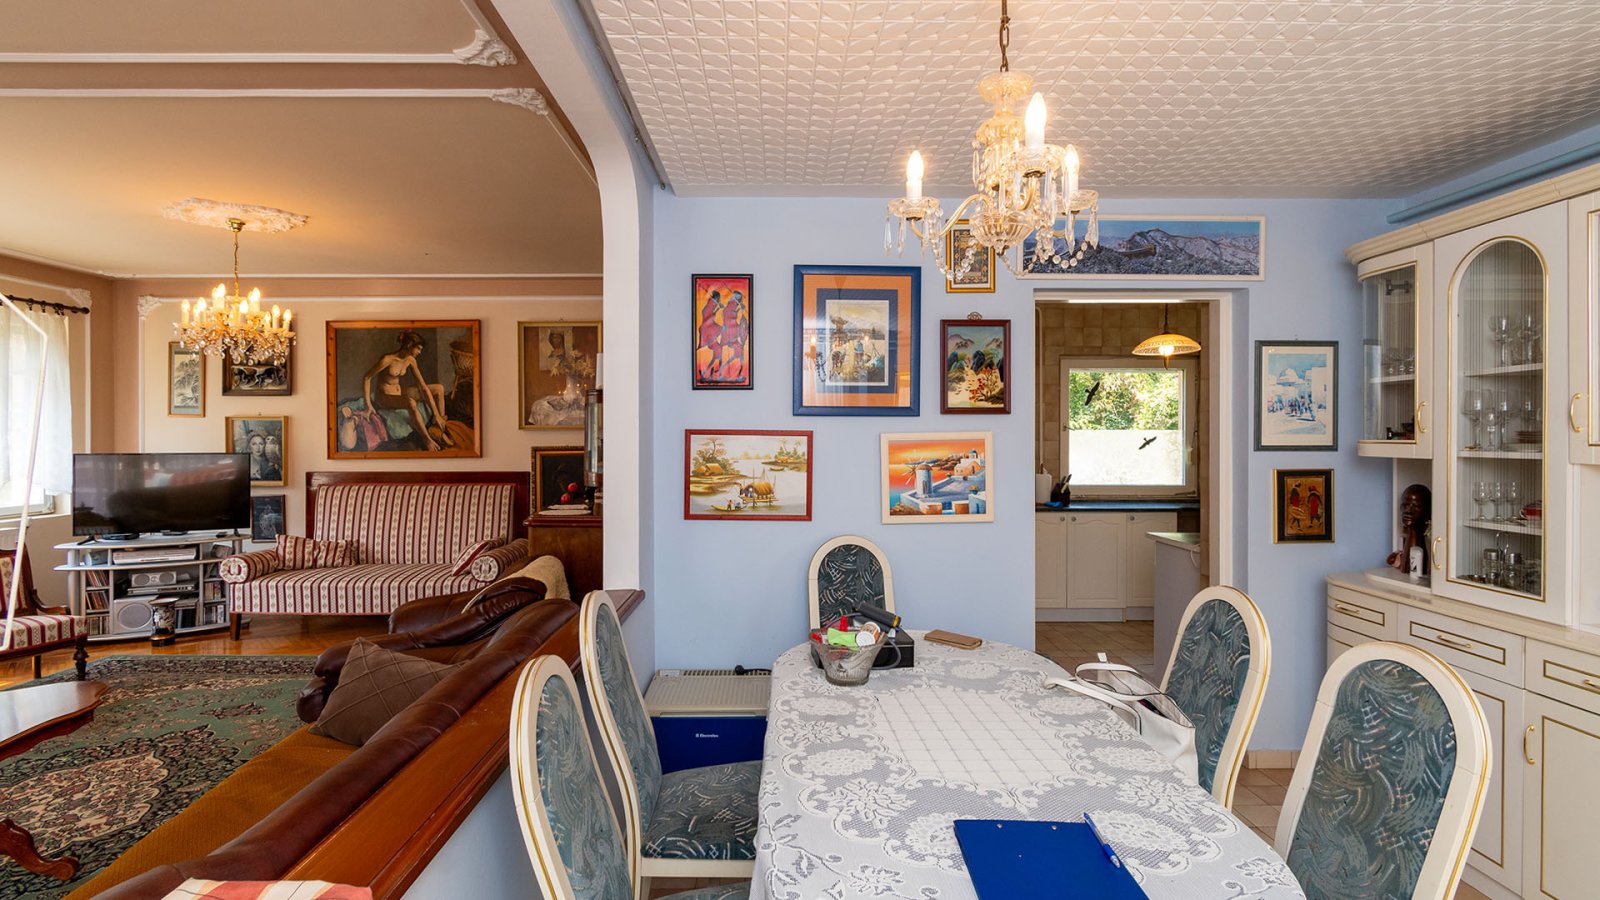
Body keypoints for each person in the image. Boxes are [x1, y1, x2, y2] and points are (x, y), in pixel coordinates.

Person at [363, 330, 453, 452]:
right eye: (418, 348)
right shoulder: (387, 360)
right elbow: (367, 378)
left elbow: (423, 386)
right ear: (410, 345)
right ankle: (427, 439)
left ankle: (440, 428)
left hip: (399, 393)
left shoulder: (410, 360)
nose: (420, 352)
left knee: (439, 388)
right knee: (410, 402)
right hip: (384, 397)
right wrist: (368, 405)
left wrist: (436, 414)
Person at [1387, 483, 1432, 572]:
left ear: (1428, 510)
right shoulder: (1406, 535)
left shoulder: (1431, 538)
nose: (1408, 511)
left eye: (1416, 506)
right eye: (1405, 505)